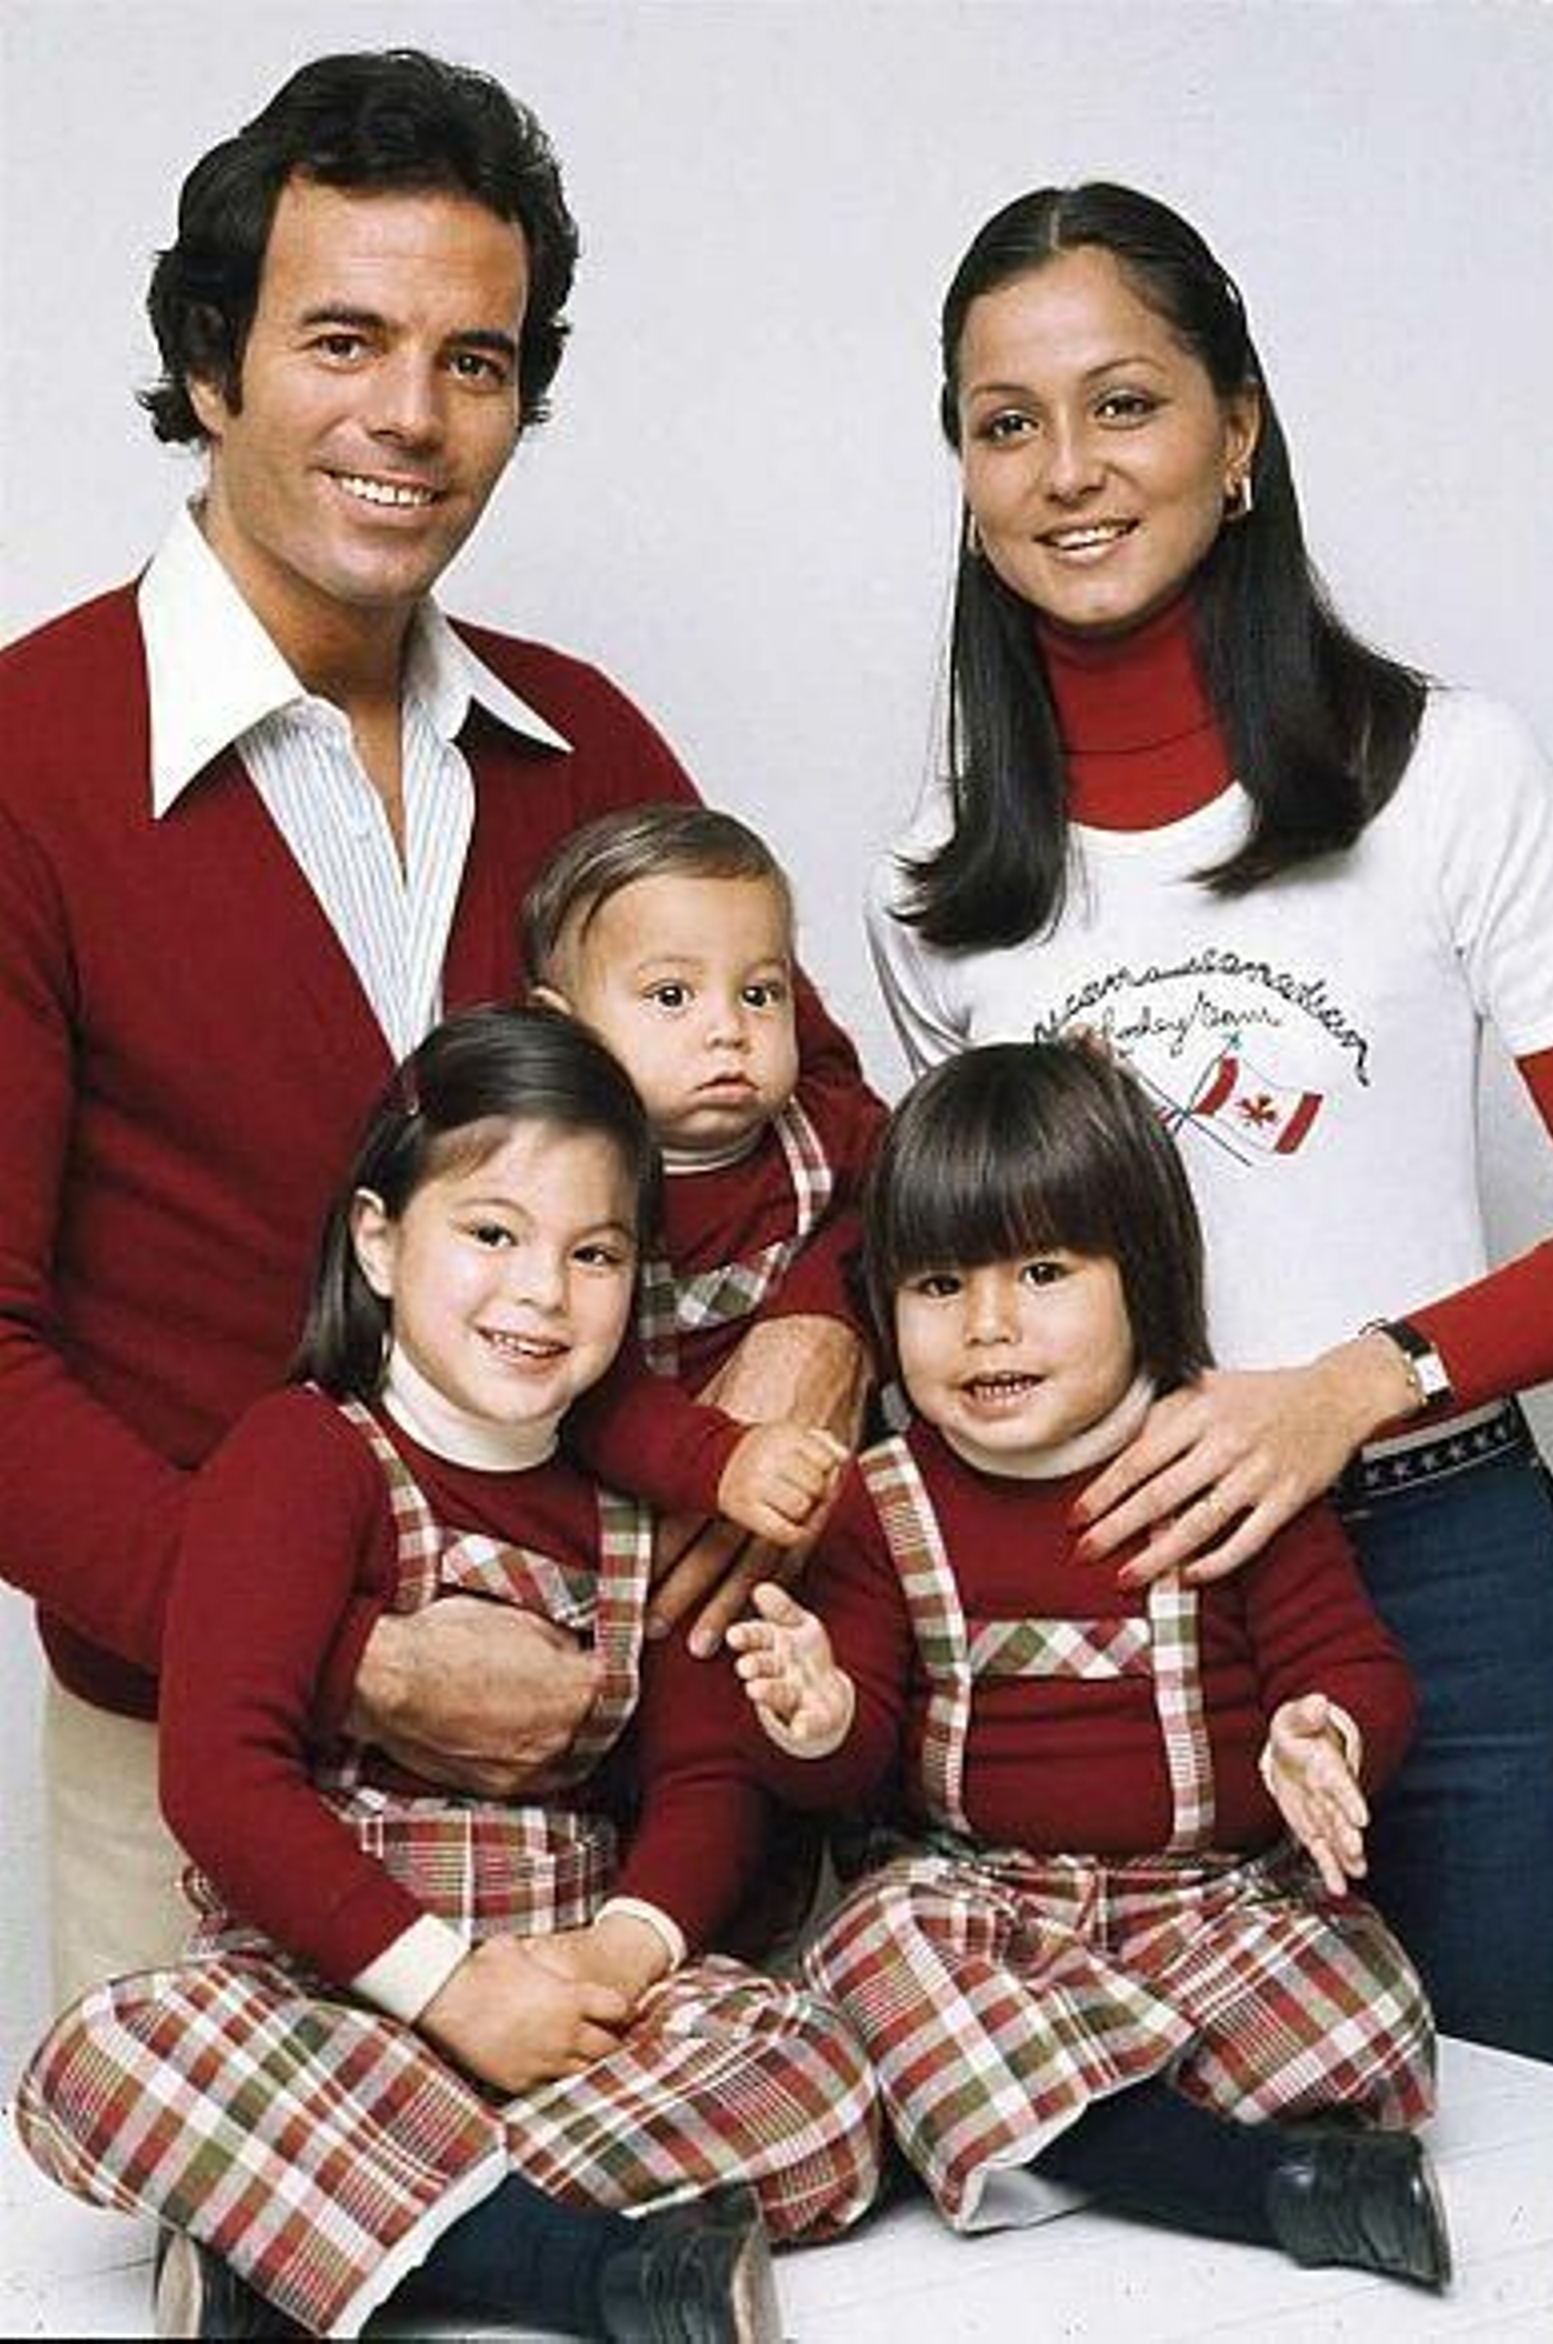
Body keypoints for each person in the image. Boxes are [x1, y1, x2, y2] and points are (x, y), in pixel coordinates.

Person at [0, 47, 868, 2006]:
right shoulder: (26, 765)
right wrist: (343, 1653)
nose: (410, 413)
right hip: (212, 1772)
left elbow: (824, 1114)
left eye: (473, 360)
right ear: (210, 363)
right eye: (343, 339)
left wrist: (817, 1334)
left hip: (622, 1785)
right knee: (241, 2202)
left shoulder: (584, 743)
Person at [865, 181, 1553, 2071]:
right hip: (1100, 1596)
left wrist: (1349, 1387)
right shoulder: (939, 881)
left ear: (1239, 427)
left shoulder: (1450, 775)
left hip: (1434, 1562)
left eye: (1125, 403)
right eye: (1006, 422)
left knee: (1525, 2118)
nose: (1068, 471)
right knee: (1173, 2160)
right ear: (965, 470)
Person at [14, 1006, 880, 2343]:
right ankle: (575, 2269)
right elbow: (222, 1781)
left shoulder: (641, 1500)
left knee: (820, 2078)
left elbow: (707, 1776)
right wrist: (450, 1993)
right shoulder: (304, 1457)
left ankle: (296, 2231)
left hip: (565, 2002)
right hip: (338, 1998)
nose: (542, 1293)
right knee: (114, 2053)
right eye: (490, 1233)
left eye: (594, 1253)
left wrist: (619, 1950)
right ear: (378, 1240)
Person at [723, 1040, 1447, 2289]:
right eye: (939, 1283)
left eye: (1044, 1272)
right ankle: (1238, 2178)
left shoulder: (1225, 1459)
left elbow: (1350, 1660)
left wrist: (1324, 1731)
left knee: (1362, 2010)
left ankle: (1022, 2126)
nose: (988, 1325)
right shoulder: (881, 1504)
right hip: (987, 1911)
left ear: (1144, 1274)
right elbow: (853, 1761)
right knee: (877, 1941)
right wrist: (820, 1715)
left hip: (1210, 1905)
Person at [523, 803, 888, 1629]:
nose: (728, 1029)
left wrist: (1040, 1105)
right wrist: (720, 1459)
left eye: (760, 993)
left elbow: (930, 1199)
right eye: (672, 996)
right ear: (562, 1030)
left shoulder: (824, 1128)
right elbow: (581, 1392)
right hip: (621, 1503)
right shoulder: (555, 1185)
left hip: (800, 1493)